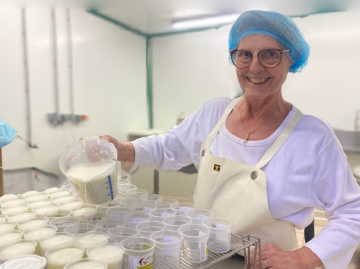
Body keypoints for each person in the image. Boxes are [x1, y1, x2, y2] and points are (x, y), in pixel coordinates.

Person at [101, 10, 360, 269]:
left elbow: (352, 211)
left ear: (291, 59)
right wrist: (122, 149)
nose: (255, 67)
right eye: (245, 54)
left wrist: (301, 258)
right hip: (204, 256)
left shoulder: (313, 137)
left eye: (271, 54)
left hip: (270, 264)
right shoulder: (214, 113)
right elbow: (169, 146)